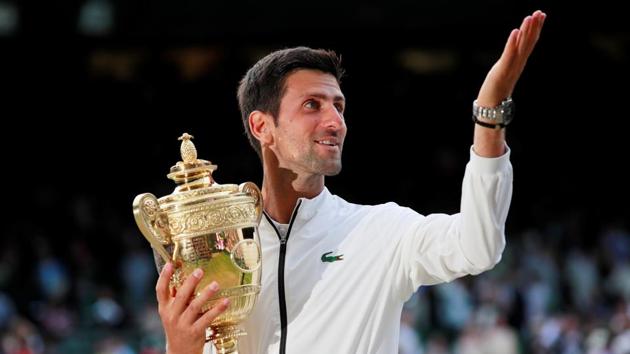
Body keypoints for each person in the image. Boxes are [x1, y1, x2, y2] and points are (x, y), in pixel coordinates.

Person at [155, 10, 546, 354]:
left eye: (338, 105)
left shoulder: (382, 231)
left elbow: (480, 246)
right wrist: (180, 350)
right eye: (313, 105)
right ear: (262, 126)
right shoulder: (221, 250)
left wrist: (489, 117)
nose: (335, 121)